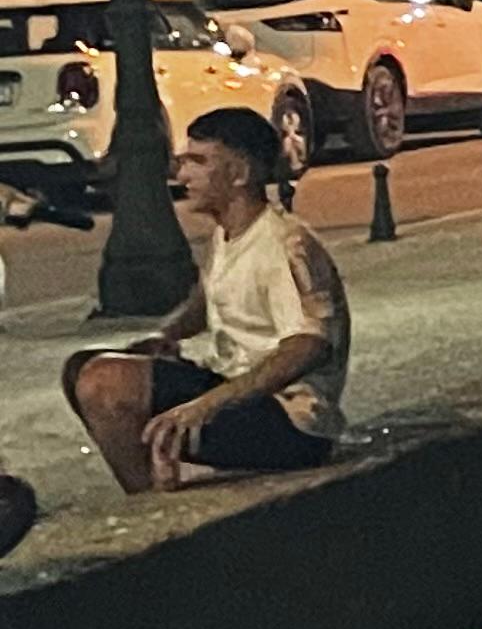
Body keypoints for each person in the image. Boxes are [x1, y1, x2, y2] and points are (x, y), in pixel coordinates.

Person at [60, 108, 351, 494]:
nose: (182, 176)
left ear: (240, 174)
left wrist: (207, 404)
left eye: (198, 162)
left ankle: (147, 500)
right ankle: (152, 483)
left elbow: (309, 345)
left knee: (105, 383)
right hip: (237, 387)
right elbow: (210, 294)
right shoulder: (229, 233)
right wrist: (169, 335)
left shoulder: (284, 245)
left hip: (290, 423)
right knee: (79, 369)